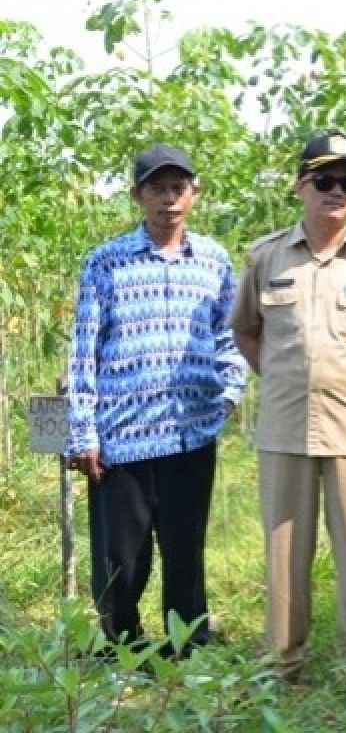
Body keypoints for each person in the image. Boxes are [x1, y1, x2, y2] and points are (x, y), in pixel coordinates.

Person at [230, 131, 346, 678]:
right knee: (284, 556)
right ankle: (282, 664)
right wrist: (288, 378)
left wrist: (342, 380)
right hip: (284, 429)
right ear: (301, 186)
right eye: (324, 180)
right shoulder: (266, 257)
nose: (336, 191)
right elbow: (247, 332)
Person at [67, 144, 246, 654]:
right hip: (122, 436)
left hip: (191, 431)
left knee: (185, 551)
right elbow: (84, 351)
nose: (168, 199)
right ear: (137, 196)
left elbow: (228, 335)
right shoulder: (106, 262)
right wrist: (83, 432)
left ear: (193, 194)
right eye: (156, 188)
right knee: (122, 558)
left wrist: (228, 396)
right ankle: (122, 645)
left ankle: (187, 645)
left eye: (177, 188)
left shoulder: (213, 260)